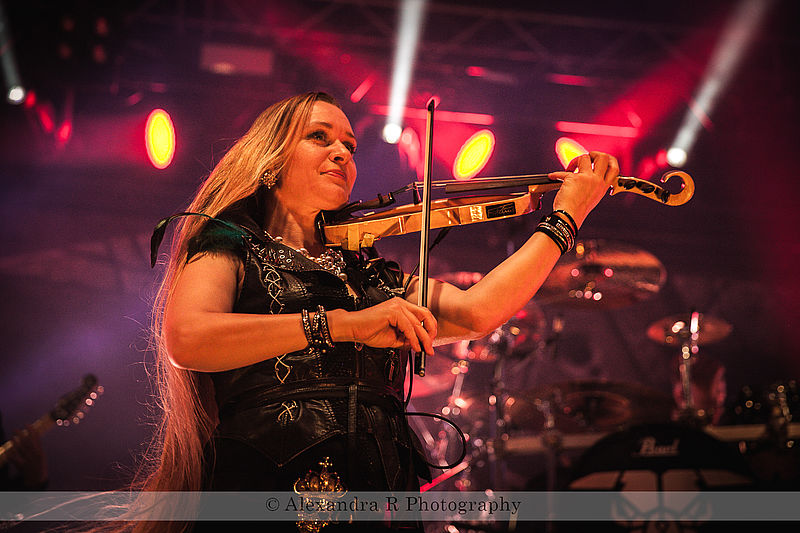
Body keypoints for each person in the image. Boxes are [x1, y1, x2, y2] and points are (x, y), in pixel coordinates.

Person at [143, 91, 615, 531]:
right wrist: (342, 325)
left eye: (349, 145)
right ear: (270, 159)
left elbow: (477, 313)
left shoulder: (369, 274)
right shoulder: (228, 241)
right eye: (319, 137)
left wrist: (565, 218)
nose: (342, 153)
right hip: (268, 484)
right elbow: (189, 339)